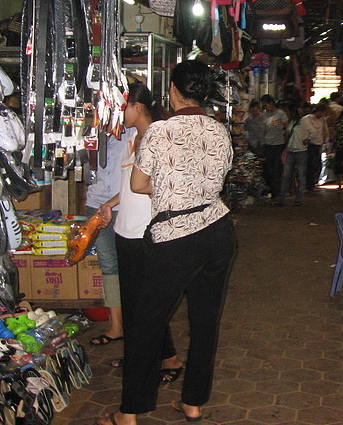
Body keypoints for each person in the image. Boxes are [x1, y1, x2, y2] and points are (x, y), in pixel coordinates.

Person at [98, 61, 236, 425]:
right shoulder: (220, 131)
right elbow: (218, 177)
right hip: (218, 230)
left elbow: (138, 185)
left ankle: (130, 412)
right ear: (204, 94)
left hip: (176, 236)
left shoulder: (160, 132)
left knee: (145, 323)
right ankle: (192, 403)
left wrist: (174, 186)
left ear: (173, 91)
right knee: (205, 322)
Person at [96, 83, 183, 381]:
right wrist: (109, 204)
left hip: (147, 233)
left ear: (137, 105)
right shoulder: (133, 136)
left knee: (148, 305)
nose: (119, 114)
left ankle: (166, 360)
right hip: (125, 229)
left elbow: (169, 185)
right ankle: (141, 356)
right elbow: (128, 184)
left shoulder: (160, 138)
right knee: (135, 304)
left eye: (122, 108)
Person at [86, 133, 129, 347]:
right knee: (109, 266)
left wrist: (111, 205)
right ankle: (116, 326)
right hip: (97, 201)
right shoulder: (98, 129)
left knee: (132, 266)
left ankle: (135, 324)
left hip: (126, 206)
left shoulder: (136, 130)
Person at [277, 102, 312, 206]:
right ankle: (281, 199)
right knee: (286, 175)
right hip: (290, 151)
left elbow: (314, 132)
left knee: (301, 176)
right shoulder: (291, 122)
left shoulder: (304, 121)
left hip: (301, 152)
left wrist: (308, 139)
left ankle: (299, 199)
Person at [260, 94, 288, 199]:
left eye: (266, 105)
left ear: (271, 103)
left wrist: (285, 141)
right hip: (268, 145)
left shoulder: (280, 114)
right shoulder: (264, 115)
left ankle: (278, 193)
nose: (265, 107)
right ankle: (273, 191)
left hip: (278, 145)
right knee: (269, 169)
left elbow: (287, 127)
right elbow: (263, 129)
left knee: (277, 169)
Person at [303, 102, 329, 190]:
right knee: (311, 164)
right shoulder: (308, 119)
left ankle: (312, 182)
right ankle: (309, 183)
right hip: (311, 144)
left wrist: (326, 142)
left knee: (317, 164)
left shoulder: (322, 119)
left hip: (319, 144)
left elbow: (325, 131)